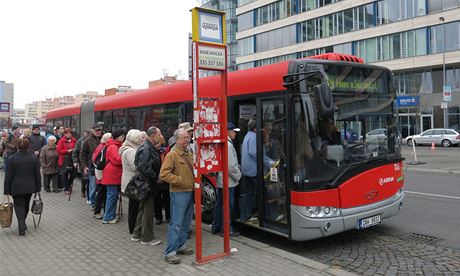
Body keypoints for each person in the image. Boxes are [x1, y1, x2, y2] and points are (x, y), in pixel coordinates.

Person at [160, 129, 194, 265]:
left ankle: (181, 245)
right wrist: (180, 180)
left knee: (186, 222)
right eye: (184, 137)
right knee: (176, 223)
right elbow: (164, 174)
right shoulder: (172, 154)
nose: (187, 139)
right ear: (177, 139)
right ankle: (170, 252)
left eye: (188, 137)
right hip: (179, 192)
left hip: (189, 191)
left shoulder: (188, 152)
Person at [3, 138, 41, 236]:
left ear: (17, 146)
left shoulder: (12, 159)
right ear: (28, 146)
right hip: (29, 187)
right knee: (26, 206)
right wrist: (38, 188)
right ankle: (22, 223)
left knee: (19, 206)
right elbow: (37, 175)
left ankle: (21, 225)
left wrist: (6, 190)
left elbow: (9, 176)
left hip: (16, 187)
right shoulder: (34, 158)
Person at [132, 127, 162, 245]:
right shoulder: (147, 148)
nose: (160, 137)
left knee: (142, 209)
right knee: (148, 211)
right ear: (153, 135)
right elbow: (143, 166)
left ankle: (137, 233)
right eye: (159, 135)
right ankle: (147, 238)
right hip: (148, 184)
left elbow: (137, 163)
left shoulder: (146, 146)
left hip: (145, 183)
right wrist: (156, 177)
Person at [211, 122, 242, 236]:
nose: (235, 134)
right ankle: (226, 230)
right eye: (234, 131)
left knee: (220, 204)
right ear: (228, 132)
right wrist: (238, 176)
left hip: (221, 180)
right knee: (227, 206)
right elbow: (231, 165)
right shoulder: (228, 145)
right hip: (228, 181)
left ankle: (216, 227)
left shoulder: (222, 142)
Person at [119, 129, 144, 235]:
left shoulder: (128, 148)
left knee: (133, 206)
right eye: (140, 138)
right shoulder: (131, 151)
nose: (141, 140)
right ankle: (133, 228)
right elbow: (136, 166)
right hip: (132, 183)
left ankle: (133, 227)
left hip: (130, 182)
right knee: (134, 208)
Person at [101, 129, 125, 224]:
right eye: (122, 136)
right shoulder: (113, 147)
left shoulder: (112, 145)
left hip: (112, 174)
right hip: (112, 174)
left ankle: (110, 215)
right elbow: (117, 160)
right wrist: (124, 155)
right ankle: (108, 217)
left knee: (112, 195)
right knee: (112, 196)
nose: (123, 138)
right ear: (118, 137)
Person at [80, 124, 102, 209]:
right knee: (93, 185)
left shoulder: (103, 139)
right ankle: (92, 203)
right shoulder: (87, 141)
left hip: (101, 166)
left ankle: (100, 203)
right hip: (91, 166)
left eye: (100, 130)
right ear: (92, 130)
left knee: (100, 186)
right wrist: (84, 166)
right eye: (97, 130)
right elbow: (82, 155)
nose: (98, 132)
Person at [240, 119, 258, 222]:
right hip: (253, 169)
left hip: (245, 169)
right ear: (255, 128)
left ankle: (245, 216)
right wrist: (262, 161)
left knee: (247, 194)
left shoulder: (247, 135)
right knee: (263, 191)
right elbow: (253, 152)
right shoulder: (254, 136)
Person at [92, 133, 111, 219]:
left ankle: (100, 210)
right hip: (101, 173)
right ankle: (97, 211)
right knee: (101, 193)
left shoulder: (102, 147)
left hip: (102, 172)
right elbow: (96, 161)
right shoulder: (102, 147)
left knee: (102, 193)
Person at [154, 134, 170, 225]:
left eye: (160, 142)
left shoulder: (165, 151)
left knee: (166, 199)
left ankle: (168, 216)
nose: (158, 144)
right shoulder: (153, 151)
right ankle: (158, 217)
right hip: (156, 178)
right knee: (157, 199)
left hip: (165, 178)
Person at [57, 128, 77, 195]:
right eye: (67, 133)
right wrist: (67, 151)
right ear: (65, 134)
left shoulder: (74, 140)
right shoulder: (61, 141)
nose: (69, 134)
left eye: (70, 133)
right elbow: (58, 151)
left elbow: (77, 149)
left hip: (72, 160)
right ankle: (66, 188)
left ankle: (69, 185)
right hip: (64, 160)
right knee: (65, 175)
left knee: (73, 174)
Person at [73, 129, 90, 198]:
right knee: (85, 177)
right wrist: (75, 161)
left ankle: (89, 192)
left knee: (90, 179)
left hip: (90, 162)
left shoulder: (92, 140)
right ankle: (83, 190)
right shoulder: (80, 141)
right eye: (85, 133)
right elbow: (75, 152)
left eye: (88, 134)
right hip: (82, 162)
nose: (86, 135)